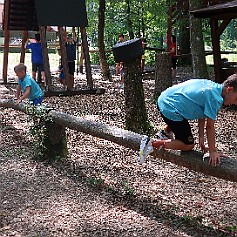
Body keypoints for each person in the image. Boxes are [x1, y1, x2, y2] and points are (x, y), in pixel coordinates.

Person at [138, 75, 237, 166]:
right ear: (229, 89)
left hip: (165, 99)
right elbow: (210, 127)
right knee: (188, 145)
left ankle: (166, 132)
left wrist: (201, 140)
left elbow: (202, 116)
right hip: (170, 108)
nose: (236, 103)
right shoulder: (216, 99)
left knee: (183, 121)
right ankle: (151, 143)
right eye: (236, 99)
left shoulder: (212, 87)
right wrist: (213, 151)